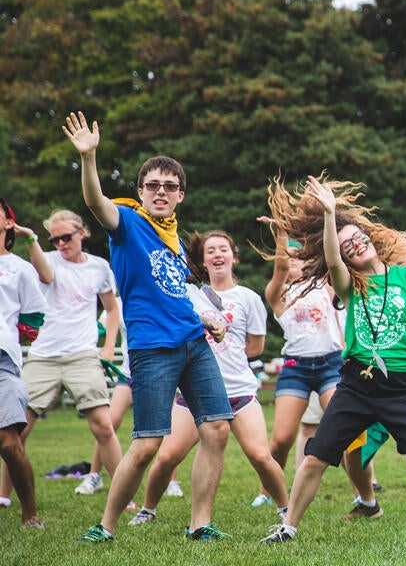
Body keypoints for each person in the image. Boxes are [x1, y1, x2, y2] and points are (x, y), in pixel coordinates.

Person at [258, 175, 406, 545]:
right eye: (346, 245)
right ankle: (287, 528)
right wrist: (329, 214)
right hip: (356, 385)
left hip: (405, 389)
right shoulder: (349, 285)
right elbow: (334, 258)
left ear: (371, 239)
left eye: (358, 237)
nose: (354, 245)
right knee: (315, 457)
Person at [64, 112, 233, 543]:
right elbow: (95, 203)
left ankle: (200, 524)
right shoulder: (128, 223)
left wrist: (205, 318)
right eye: (153, 185)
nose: (161, 192)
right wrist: (89, 158)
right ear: (141, 192)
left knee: (216, 427)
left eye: (169, 186)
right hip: (153, 347)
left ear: (180, 195)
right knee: (147, 444)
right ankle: (105, 526)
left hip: (193, 341)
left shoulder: (177, 243)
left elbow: (173, 293)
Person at [130, 230, 290, 525]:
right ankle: (148, 509)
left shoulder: (248, 298)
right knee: (167, 457)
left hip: (238, 391)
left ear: (233, 256)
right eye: (210, 251)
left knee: (260, 456)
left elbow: (255, 347)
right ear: (202, 261)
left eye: (223, 249)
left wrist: (226, 353)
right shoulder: (187, 295)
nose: (217, 255)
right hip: (194, 392)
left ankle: (285, 510)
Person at [0, 210, 122, 503]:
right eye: (55, 239)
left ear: (83, 233)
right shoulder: (44, 260)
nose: (61, 244)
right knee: (16, 429)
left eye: (66, 237)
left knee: (103, 426)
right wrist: (32, 239)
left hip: (82, 355)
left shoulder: (99, 267)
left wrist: (108, 346)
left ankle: (123, 495)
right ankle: (3, 496)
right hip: (43, 356)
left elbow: (112, 308)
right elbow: (48, 275)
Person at [255, 218, 344, 509]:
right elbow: (280, 268)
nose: (292, 264)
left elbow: (332, 258)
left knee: (345, 425)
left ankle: (363, 494)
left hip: (331, 364)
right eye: (288, 261)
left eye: (298, 259)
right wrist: (282, 232)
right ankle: (266, 492)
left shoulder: (323, 286)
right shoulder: (278, 294)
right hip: (297, 368)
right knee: (281, 439)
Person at [0, 196, 48, 528]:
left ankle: (29, 513)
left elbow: (33, 318)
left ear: (8, 223)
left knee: (8, 441)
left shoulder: (20, 269)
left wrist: (13, 333)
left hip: (3, 362)